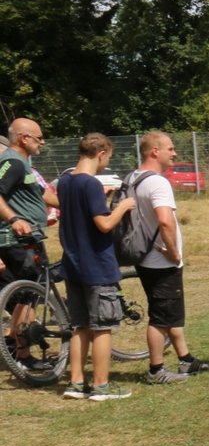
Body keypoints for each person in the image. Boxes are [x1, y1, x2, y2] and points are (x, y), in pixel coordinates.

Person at [56, 133, 136, 401]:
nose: (107, 162)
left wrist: (101, 198)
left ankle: (76, 383)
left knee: (80, 326)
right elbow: (103, 225)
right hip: (97, 266)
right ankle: (101, 386)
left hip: (73, 265)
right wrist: (122, 206)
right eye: (108, 157)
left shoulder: (66, 182)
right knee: (103, 326)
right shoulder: (90, 184)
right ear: (101, 153)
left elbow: (80, 210)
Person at [128, 131, 209, 383]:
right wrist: (174, 253)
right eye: (170, 149)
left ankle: (185, 360)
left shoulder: (132, 178)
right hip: (162, 261)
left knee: (170, 313)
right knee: (160, 319)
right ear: (155, 151)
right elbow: (165, 220)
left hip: (144, 258)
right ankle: (156, 370)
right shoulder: (158, 182)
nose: (174, 153)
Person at [0, 118, 59, 369]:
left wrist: (83, 204)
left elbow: (43, 195)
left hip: (29, 238)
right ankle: (19, 353)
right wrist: (14, 218)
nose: (42, 142)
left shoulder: (24, 164)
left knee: (29, 294)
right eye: (38, 137)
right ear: (24, 138)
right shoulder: (12, 161)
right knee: (28, 293)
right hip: (16, 239)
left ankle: (14, 345)